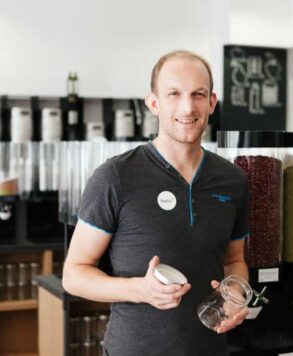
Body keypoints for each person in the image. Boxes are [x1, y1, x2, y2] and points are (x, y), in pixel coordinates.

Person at [62, 50, 250, 356]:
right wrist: (140, 289)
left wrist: (236, 295)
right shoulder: (116, 176)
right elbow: (74, 274)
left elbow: (234, 260)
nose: (188, 107)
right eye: (174, 93)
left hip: (211, 349)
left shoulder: (233, 180)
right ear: (154, 103)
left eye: (198, 94)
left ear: (212, 103)